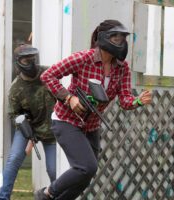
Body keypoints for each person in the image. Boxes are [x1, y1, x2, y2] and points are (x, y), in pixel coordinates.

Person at [35, 19, 152, 200]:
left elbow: (125, 100)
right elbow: (47, 75)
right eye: (116, 38)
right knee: (86, 167)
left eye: (123, 39)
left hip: (91, 126)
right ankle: (46, 194)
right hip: (66, 120)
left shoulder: (122, 69)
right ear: (103, 38)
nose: (121, 43)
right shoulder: (83, 58)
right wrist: (69, 98)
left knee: (85, 177)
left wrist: (138, 101)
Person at [0, 44, 57, 200]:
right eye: (26, 60)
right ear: (18, 63)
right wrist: (25, 128)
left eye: (33, 59)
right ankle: (2, 197)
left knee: (53, 170)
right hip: (28, 128)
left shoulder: (48, 73)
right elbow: (13, 114)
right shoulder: (16, 88)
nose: (31, 63)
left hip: (52, 129)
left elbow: (63, 90)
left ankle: (56, 195)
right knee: (14, 158)